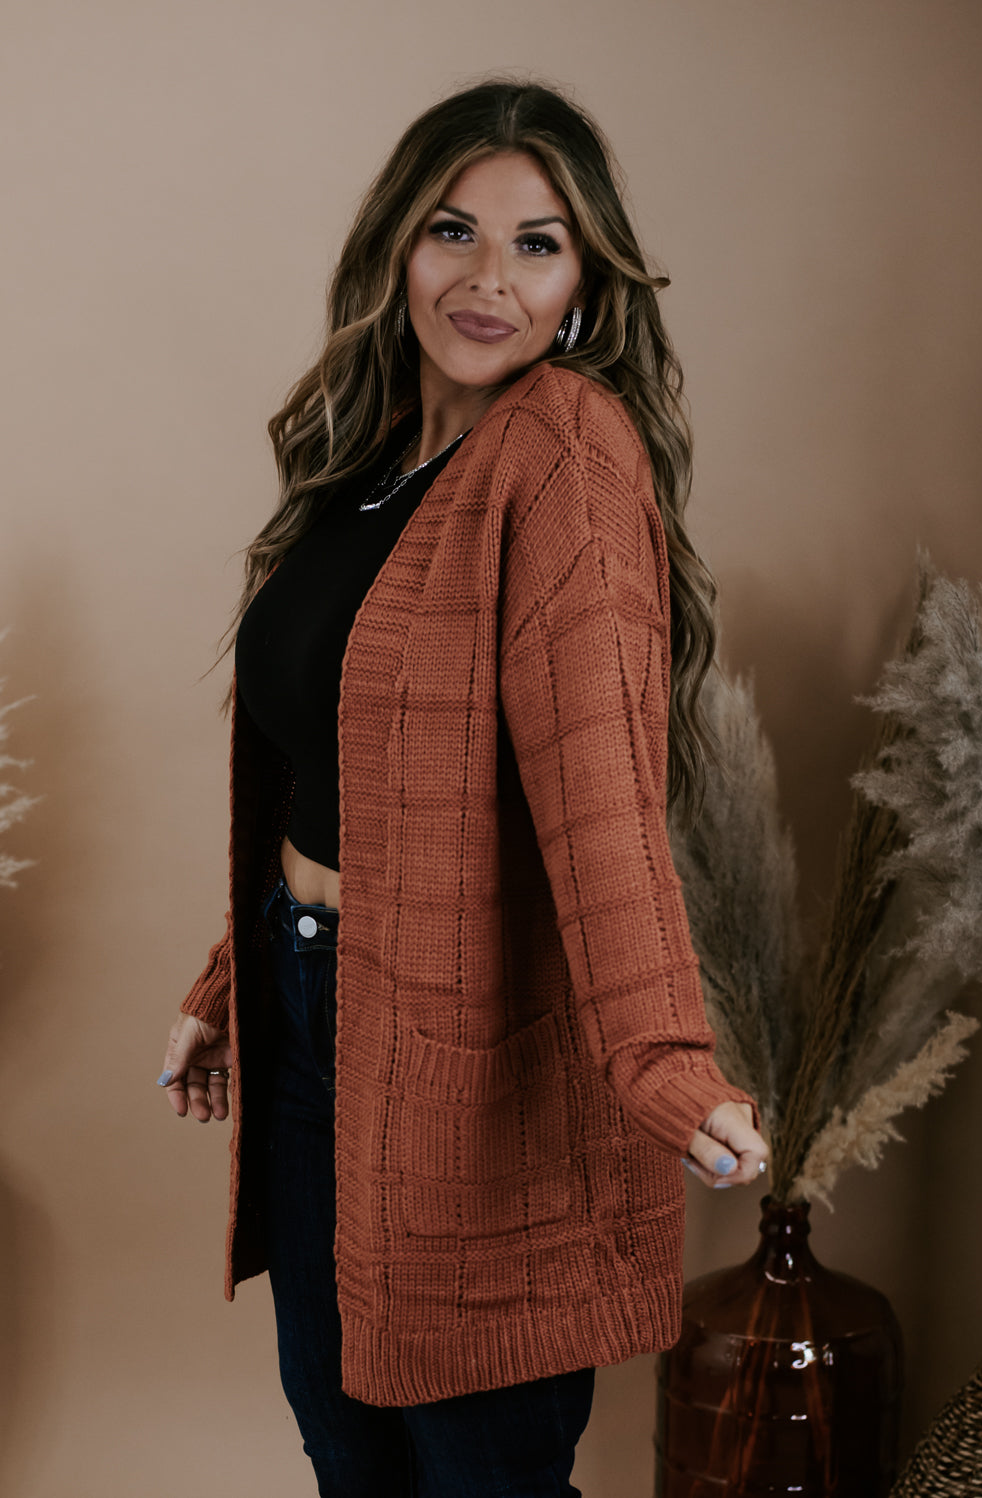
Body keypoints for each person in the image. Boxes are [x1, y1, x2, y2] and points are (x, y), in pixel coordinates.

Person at [157, 79, 768, 1498]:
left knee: (480, 1474)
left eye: (537, 244)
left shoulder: (563, 451)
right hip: (313, 1001)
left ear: (586, 281)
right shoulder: (370, 457)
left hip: (470, 1056)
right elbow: (336, 763)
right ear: (396, 242)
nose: (490, 279)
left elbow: (605, 799)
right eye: (454, 231)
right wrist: (236, 977)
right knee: (349, 1454)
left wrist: (663, 1057)